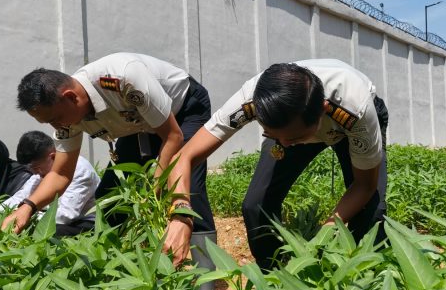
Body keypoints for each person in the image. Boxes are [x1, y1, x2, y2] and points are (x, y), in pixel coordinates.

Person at [1, 53, 217, 283]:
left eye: (56, 119)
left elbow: (173, 136)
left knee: (186, 190)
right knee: (110, 197)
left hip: (182, 111)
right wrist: (28, 206)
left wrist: (154, 186)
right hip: (137, 125)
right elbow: (61, 173)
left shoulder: (123, 79)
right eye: (49, 123)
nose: (57, 126)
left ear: (71, 97)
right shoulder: (66, 113)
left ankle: (206, 279)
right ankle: (115, 272)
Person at [164, 60, 389, 271]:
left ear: (322, 111)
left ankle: (366, 278)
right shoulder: (251, 100)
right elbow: (183, 158)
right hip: (293, 122)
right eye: (270, 134)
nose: (285, 145)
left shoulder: (355, 110)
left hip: (343, 126)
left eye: (293, 139)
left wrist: (329, 227)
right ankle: (273, 276)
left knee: (371, 211)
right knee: (257, 205)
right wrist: (181, 213)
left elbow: (364, 186)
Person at [14, 130, 100, 237]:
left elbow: (66, 215)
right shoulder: (41, 172)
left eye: (36, 168)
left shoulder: (80, 170)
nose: (35, 173)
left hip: (86, 221)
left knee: (53, 232)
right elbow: (20, 196)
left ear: (53, 157)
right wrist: (8, 213)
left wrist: (27, 214)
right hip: (57, 218)